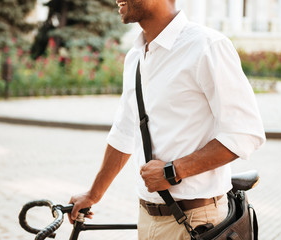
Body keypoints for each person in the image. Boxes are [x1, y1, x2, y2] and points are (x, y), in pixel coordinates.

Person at [68, 0, 266, 239]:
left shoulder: (206, 46)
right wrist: (93, 194)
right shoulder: (135, 57)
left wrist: (173, 171)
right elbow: (124, 132)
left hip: (197, 222)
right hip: (146, 217)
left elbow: (245, 134)